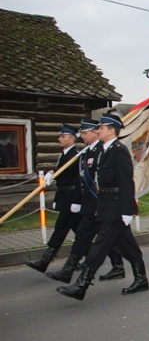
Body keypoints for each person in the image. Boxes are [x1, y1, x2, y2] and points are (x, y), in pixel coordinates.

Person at [56, 113, 148, 300]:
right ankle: (141, 279)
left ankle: (81, 284)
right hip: (106, 204)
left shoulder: (118, 150)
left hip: (115, 206)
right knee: (127, 245)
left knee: (99, 245)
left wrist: (127, 210)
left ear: (111, 130)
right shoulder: (105, 150)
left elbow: (126, 182)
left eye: (101, 128)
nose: (98, 130)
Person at [46, 119, 124, 284]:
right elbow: (81, 179)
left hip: (100, 200)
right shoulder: (85, 153)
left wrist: (126, 208)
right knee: (100, 235)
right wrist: (78, 200)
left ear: (96, 132)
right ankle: (117, 266)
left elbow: (112, 179)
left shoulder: (101, 151)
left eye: (85, 133)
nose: (82, 136)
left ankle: (75, 272)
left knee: (96, 236)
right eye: (81, 133)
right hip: (89, 200)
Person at [25, 124, 82, 274]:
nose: (59, 139)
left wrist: (77, 200)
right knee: (81, 231)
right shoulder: (64, 154)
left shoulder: (76, 154)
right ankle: (104, 256)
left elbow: (77, 179)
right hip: (64, 196)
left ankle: (45, 260)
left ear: (71, 138)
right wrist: (52, 172)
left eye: (63, 136)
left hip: (72, 197)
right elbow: (62, 173)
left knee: (61, 228)